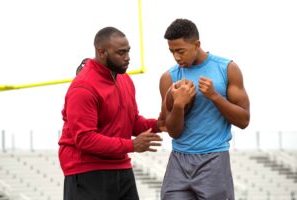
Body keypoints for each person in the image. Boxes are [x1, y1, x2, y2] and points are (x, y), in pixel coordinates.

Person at [58, 26, 165, 200]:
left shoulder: (125, 79)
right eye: (121, 53)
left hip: (121, 168)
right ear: (101, 52)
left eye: (128, 51)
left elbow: (131, 121)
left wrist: (157, 125)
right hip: (87, 170)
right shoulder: (83, 87)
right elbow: (85, 139)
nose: (127, 58)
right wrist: (132, 145)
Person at [159, 18, 250, 200]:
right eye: (172, 51)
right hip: (179, 160)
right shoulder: (169, 78)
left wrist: (214, 96)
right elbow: (173, 132)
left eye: (180, 51)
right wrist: (178, 104)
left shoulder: (227, 69)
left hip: (214, 158)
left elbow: (244, 120)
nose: (176, 57)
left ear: (197, 44)